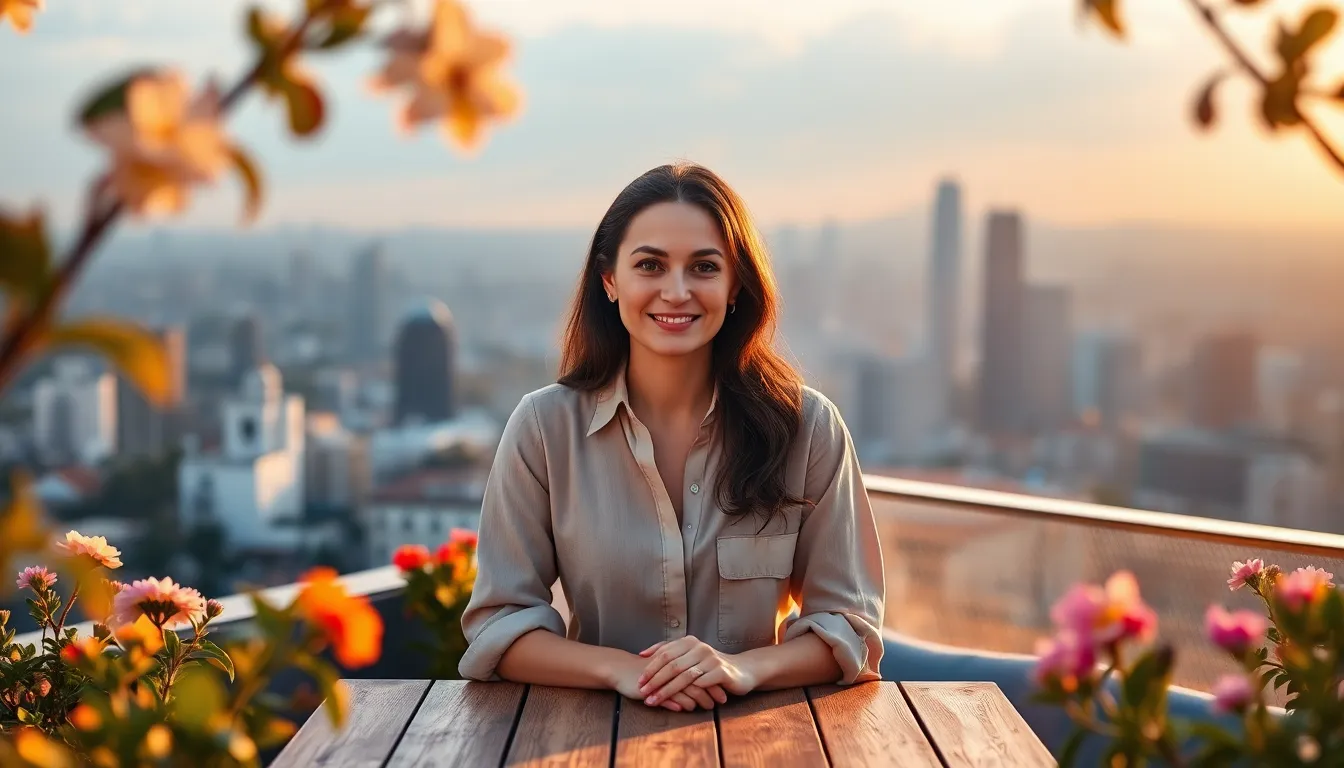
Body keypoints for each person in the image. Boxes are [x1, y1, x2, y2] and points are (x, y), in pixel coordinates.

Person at [458, 162, 885, 713]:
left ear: (736, 286)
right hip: (586, 738)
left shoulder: (808, 427)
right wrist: (624, 671)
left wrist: (740, 669)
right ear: (610, 281)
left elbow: (851, 630)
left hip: (760, 740)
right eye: (651, 265)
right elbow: (499, 626)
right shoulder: (543, 428)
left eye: (704, 267)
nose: (677, 291)